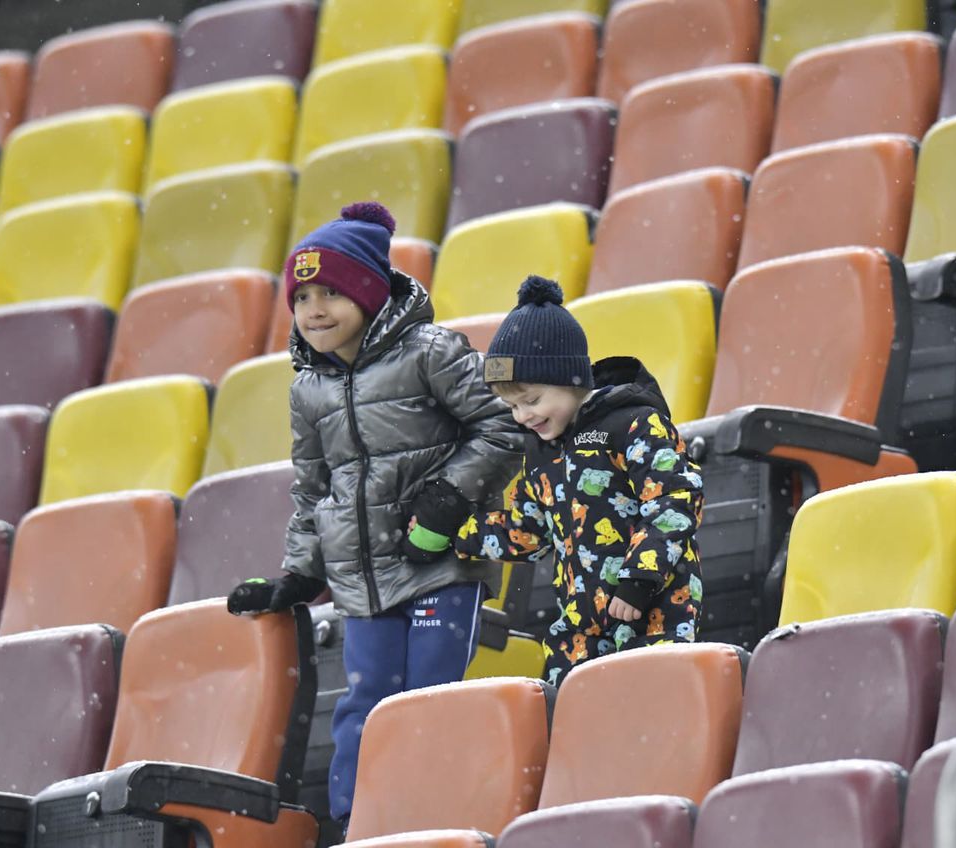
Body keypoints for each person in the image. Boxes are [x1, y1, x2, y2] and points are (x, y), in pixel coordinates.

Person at [226, 202, 522, 831]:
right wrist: (300, 573)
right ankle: (360, 826)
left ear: (368, 291)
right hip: (362, 580)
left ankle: (441, 820)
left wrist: (447, 498)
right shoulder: (308, 388)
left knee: (431, 696)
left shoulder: (431, 352)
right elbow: (312, 489)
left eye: (331, 291)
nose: (315, 309)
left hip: (441, 563)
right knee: (365, 704)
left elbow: (502, 427)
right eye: (302, 297)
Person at [455, 275, 705, 687]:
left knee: (650, 705)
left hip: (652, 607)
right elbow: (530, 530)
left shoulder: (634, 423)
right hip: (579, 621)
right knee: (573, 718)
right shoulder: (542, 450)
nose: (522, 417)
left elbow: (674, 499)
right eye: (512, 406)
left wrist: (640, 579)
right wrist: (459, 534)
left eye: (531, 400)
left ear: (571, 379)